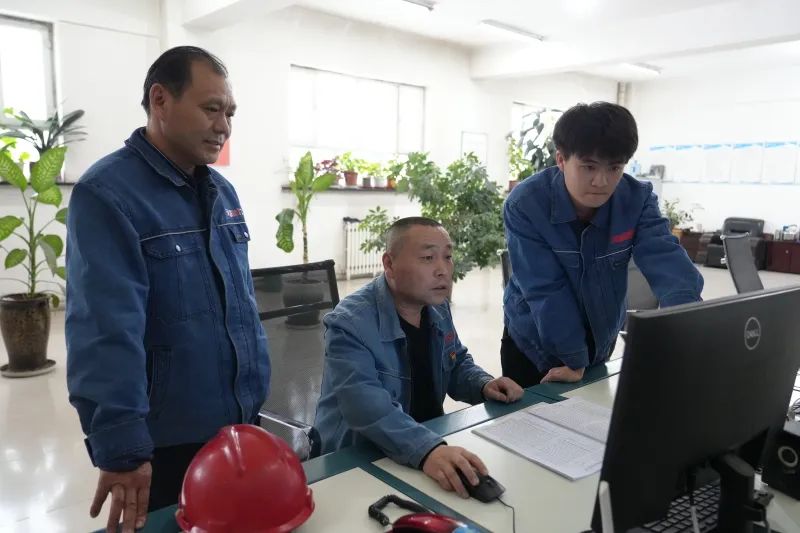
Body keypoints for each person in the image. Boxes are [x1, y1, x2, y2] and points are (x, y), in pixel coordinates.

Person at [65, 46, 270, 533]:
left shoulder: (222, 192)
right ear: (160, 99)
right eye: (211, 108)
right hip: (168, 442)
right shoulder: (107, 194)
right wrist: (123, 450)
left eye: (230, 113)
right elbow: (104, 331)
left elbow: (238, 306)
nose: (224, 126)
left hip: (239, 423)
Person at [314, 217, 524, 497]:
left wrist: (483, 384)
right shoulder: (349, 323)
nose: (443, 270)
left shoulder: (436, 307)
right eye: (427, 258)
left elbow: (455, 362)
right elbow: (365, 407)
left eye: (447, 257)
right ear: (389, 264)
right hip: (359, 462)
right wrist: (427, 450)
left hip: (424, 445)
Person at [502, 102, 704, 388]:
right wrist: (574, 359)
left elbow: (667, 260)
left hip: (600, 338)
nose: (601, 181)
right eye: (588, 167)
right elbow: (544, 288)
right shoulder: (526, 204)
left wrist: (686, 327)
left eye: (614, 168)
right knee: (532, 415)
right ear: (561, 160)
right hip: (535, 343)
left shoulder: (636, 200)